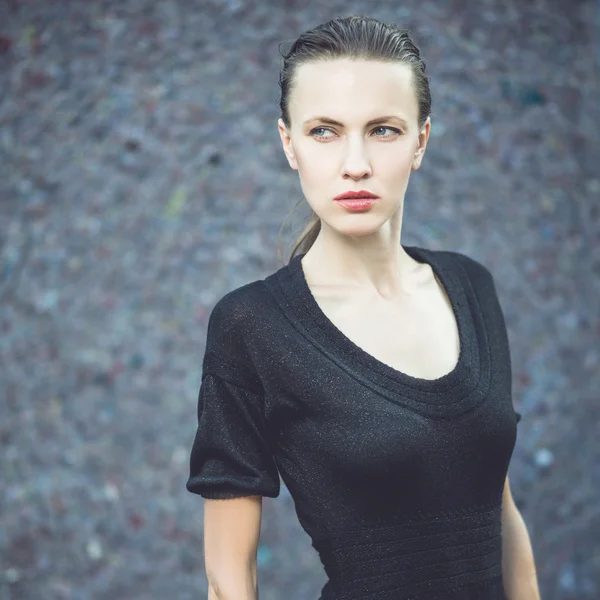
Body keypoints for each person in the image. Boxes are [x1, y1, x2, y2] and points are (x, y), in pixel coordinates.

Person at [186, 14, 541, 600]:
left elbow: (497, 511)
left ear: (421, 141)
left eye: (383, 130)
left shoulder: (471, 287)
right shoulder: (252, 326)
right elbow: (229, 581)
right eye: (325, 131)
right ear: (288, 144)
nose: (356, 164)